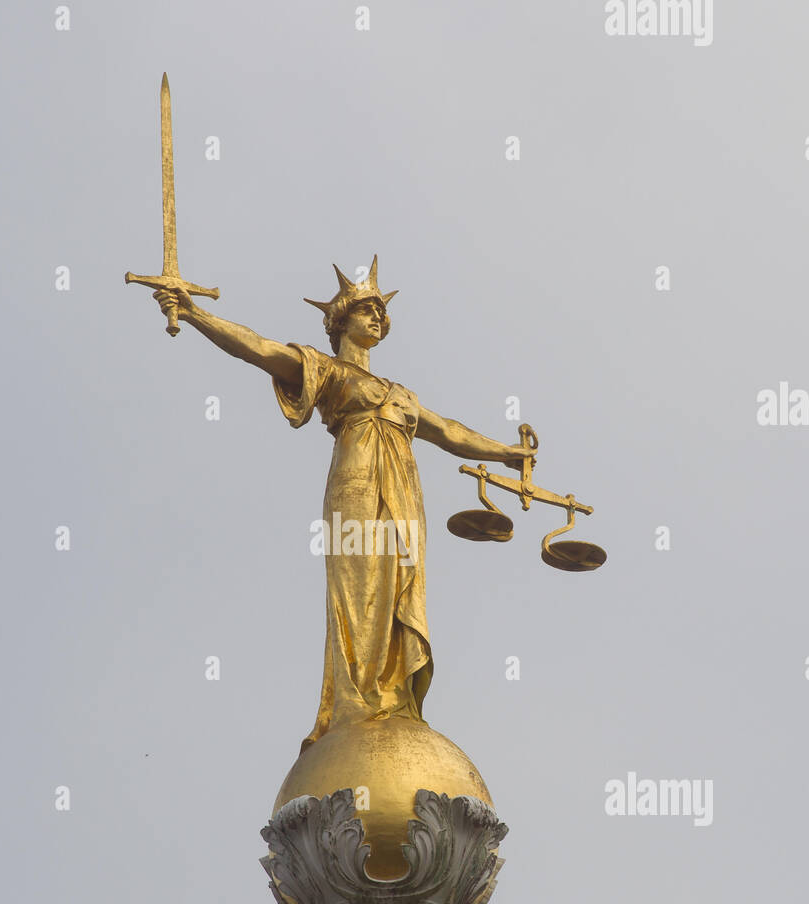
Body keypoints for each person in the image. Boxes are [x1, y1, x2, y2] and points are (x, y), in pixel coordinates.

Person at [153, 257, 531, 753]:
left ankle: (394, 698)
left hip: (402, 492)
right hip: (355, 485)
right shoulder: (328, 370)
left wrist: (508, 453)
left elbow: (449, 432)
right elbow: (259, 349)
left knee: (399, 580)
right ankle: (357, 701)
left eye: (380, 311)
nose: (377, 317)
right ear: (341, 321)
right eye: (366, 310)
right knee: (359, 587)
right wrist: (196, 313)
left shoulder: (401, 395)